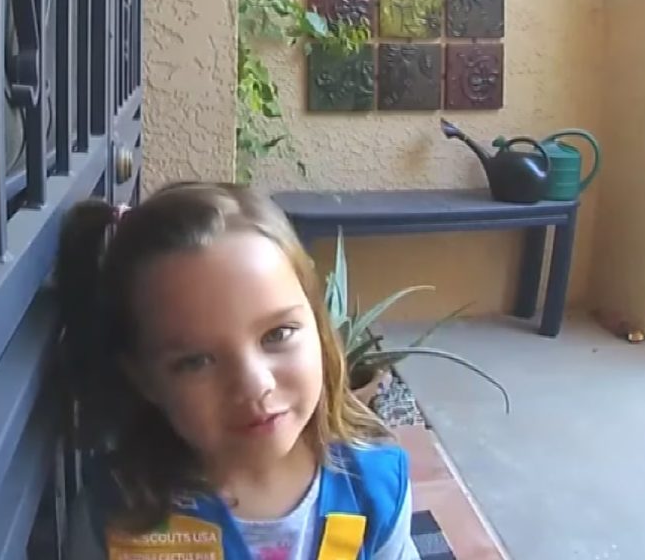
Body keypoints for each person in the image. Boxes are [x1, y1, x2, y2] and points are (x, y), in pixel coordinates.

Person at [57, 181, 420, 560]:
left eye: (277, 334)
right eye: (196, 360)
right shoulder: (119, 510)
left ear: (317, 323)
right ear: (144, 378)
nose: (255, 384)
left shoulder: (375, 487)